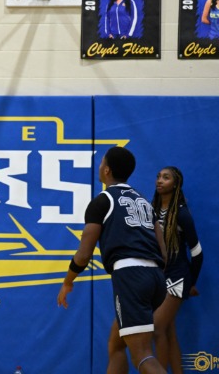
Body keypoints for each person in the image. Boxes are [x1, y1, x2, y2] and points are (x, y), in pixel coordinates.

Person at [57, 146, 167, 374]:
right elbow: (163, 251)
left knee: (142, 355)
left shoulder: (102, 201)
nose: (99, 166)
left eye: (101, 163)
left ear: (106, 170)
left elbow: (83, 255)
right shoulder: (144, 202)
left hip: (131, 277)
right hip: (156, 278)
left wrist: (68, 281)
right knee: (116, 344)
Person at [151, 167, 203, 374]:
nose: (160, 180)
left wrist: (191, 283)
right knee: (168, 332)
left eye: (166, 178)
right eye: (158, 177)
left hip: (177, 277)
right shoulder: (152, 209)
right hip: (159, 277)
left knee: (157, 328)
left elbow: (197, 253)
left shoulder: (182, 214)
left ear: (176, 184)